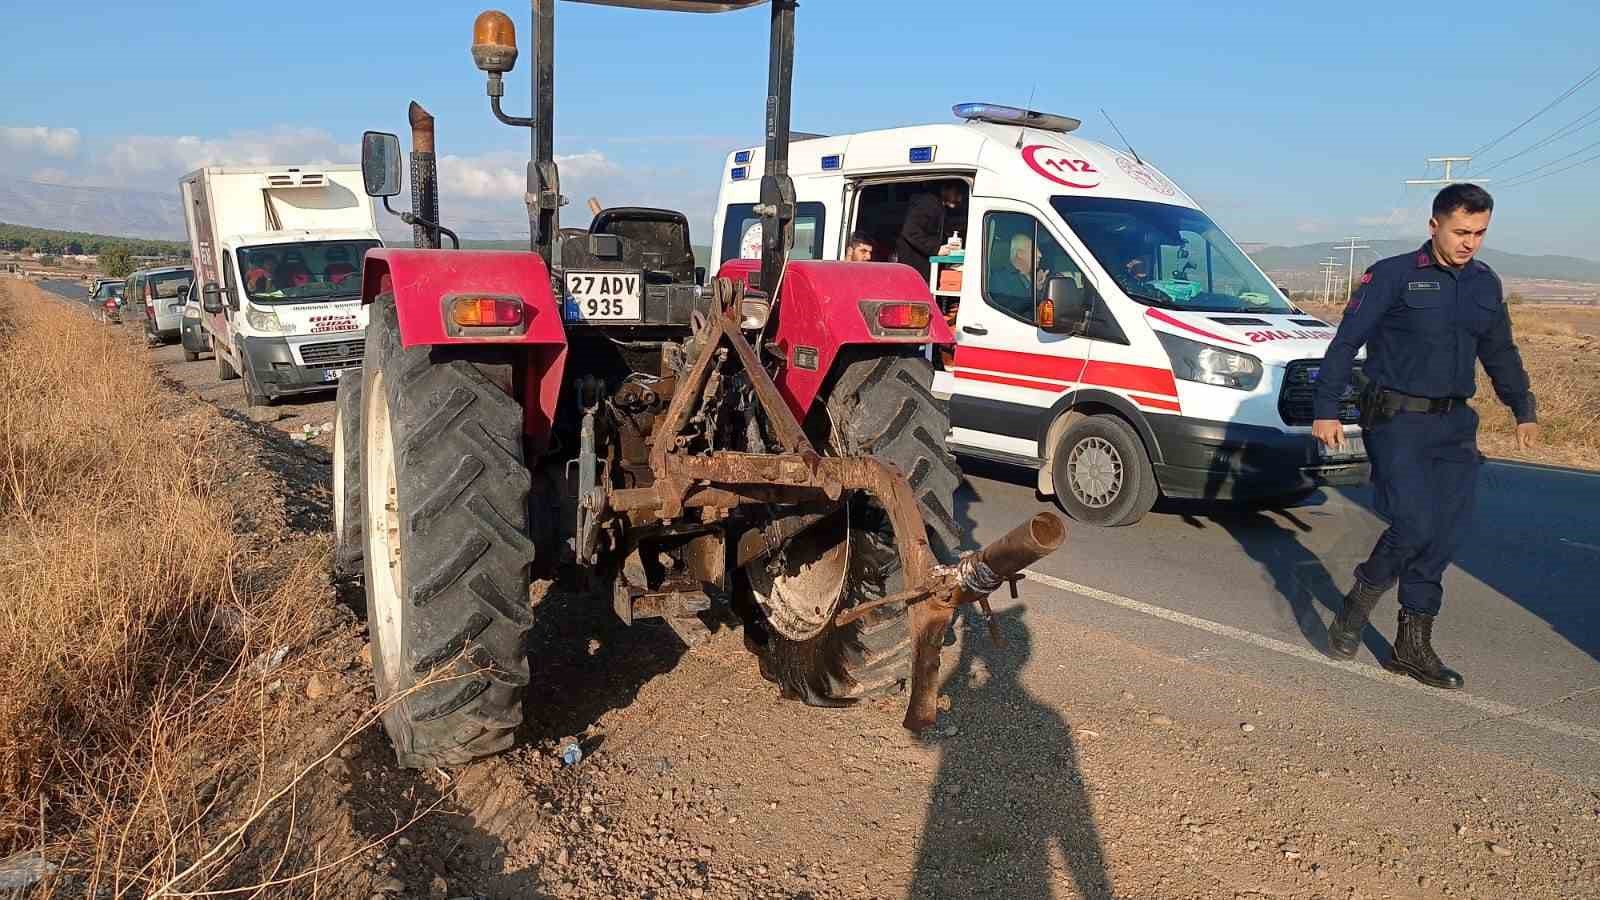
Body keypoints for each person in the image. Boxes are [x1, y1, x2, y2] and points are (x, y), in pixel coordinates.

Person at [1312, 183, 1536, 689]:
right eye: (1461, 231)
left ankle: (1411, 646)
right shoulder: (1392, 276)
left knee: (1444, 535)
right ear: (1434, 225)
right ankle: (1358, 602)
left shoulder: (1484, 283)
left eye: (1479, 233)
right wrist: (1326, 408)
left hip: (1455, 424)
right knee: (1413, 525)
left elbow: (1500, 350)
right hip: (1397, 421)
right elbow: (1346, 343)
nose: (1470, 242)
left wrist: (1522, 407)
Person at [896, 182, 964, 280]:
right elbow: (910, 231)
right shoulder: (928, 203)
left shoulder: (938, 206)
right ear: (945, 189)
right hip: (915, 269)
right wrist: (936, 249)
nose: (959, 199)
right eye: (957, 193)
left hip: (921, 269)